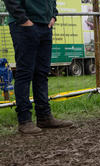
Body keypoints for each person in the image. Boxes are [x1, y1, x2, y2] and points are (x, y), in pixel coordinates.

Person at [4, 0, 73, 134]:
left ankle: (44, 117)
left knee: (42, 73)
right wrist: (24, 20)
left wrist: (53, 15)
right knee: (25, 72)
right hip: (24, 25)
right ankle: (24, 120)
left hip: (45, 25)